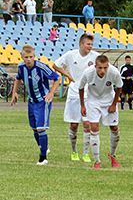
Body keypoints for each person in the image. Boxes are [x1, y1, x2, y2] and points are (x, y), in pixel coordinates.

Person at [53, 33, 100, 162]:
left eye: (91, 44)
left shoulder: (96, 57)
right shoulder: (71, 55)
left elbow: (104, 68)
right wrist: (67, 75)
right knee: (74, 125)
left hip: (89, 95)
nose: (90, 47)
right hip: (74, 94)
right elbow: (55, 65)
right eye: (88, 44)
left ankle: (85, 153)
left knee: (87, 124)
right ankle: (74, 151)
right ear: (81, 44)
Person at [10, 45, 60, 165]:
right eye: (26, 57)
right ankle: (44, 147)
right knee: (34, 128)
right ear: (22, 57)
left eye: (30, 57)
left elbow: (57, 78)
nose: (28, 59)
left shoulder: (41, 67)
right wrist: (14, 92)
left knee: (41, 128)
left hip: (43, 100)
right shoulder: (21, 67)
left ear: (34, 57)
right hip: (31, 101)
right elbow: (18, 79)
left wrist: (51, 93)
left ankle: (43, 158)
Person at [79, 55, 123, 169]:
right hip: (93, 101)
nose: (102, 70)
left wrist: (114, 104)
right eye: (100, 68)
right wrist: (82, 105)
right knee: (93, 127)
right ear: (95, 66)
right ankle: (97, 161)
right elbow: (81, 87)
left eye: (105, 67)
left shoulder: (114, 72)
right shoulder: (88, 73)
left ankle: (112, 155)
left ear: (108, 66)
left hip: (109, 100)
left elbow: (119, 87)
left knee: (114, 128)